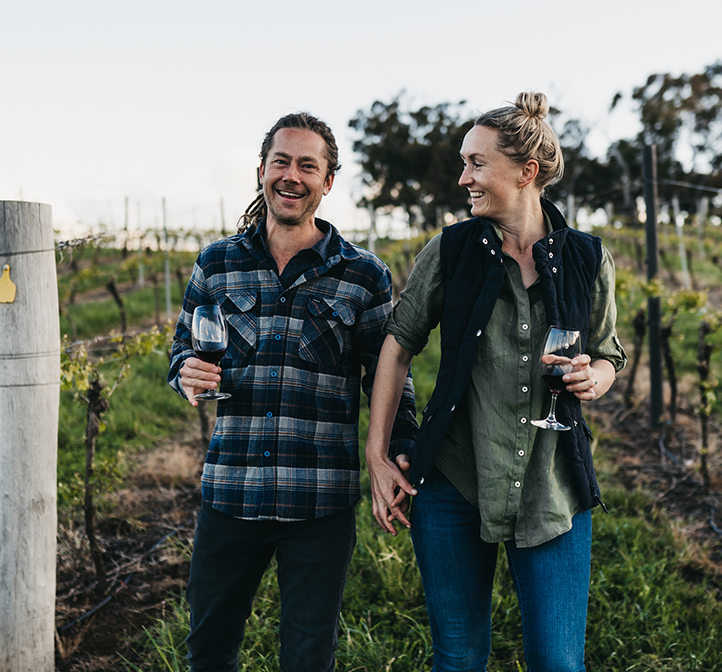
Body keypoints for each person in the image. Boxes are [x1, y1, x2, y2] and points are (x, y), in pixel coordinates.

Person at [365, 92, 626, 672]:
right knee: (458, 658)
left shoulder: (589, 258)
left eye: (477, 163)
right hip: (454, 482)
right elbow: (397, 344)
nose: (464, 178)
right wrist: (377, 453)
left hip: (552, 488)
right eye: (465, 162)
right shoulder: (451, 251)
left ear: (526, 172)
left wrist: (594, 379)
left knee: (557, 663)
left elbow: (609, 356)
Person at [168, 112, 418, 672]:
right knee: (208, 652)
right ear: (261, 170)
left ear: (327, 182)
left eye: (308, 165)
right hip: (230, 494)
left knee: (308, 658)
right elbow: (182, 350)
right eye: (281, 161)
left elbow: (390, 377)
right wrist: (185, 371)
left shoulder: (363, 276)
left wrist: (400, 452)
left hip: (319, 503)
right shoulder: (217, 263)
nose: (292, 175)